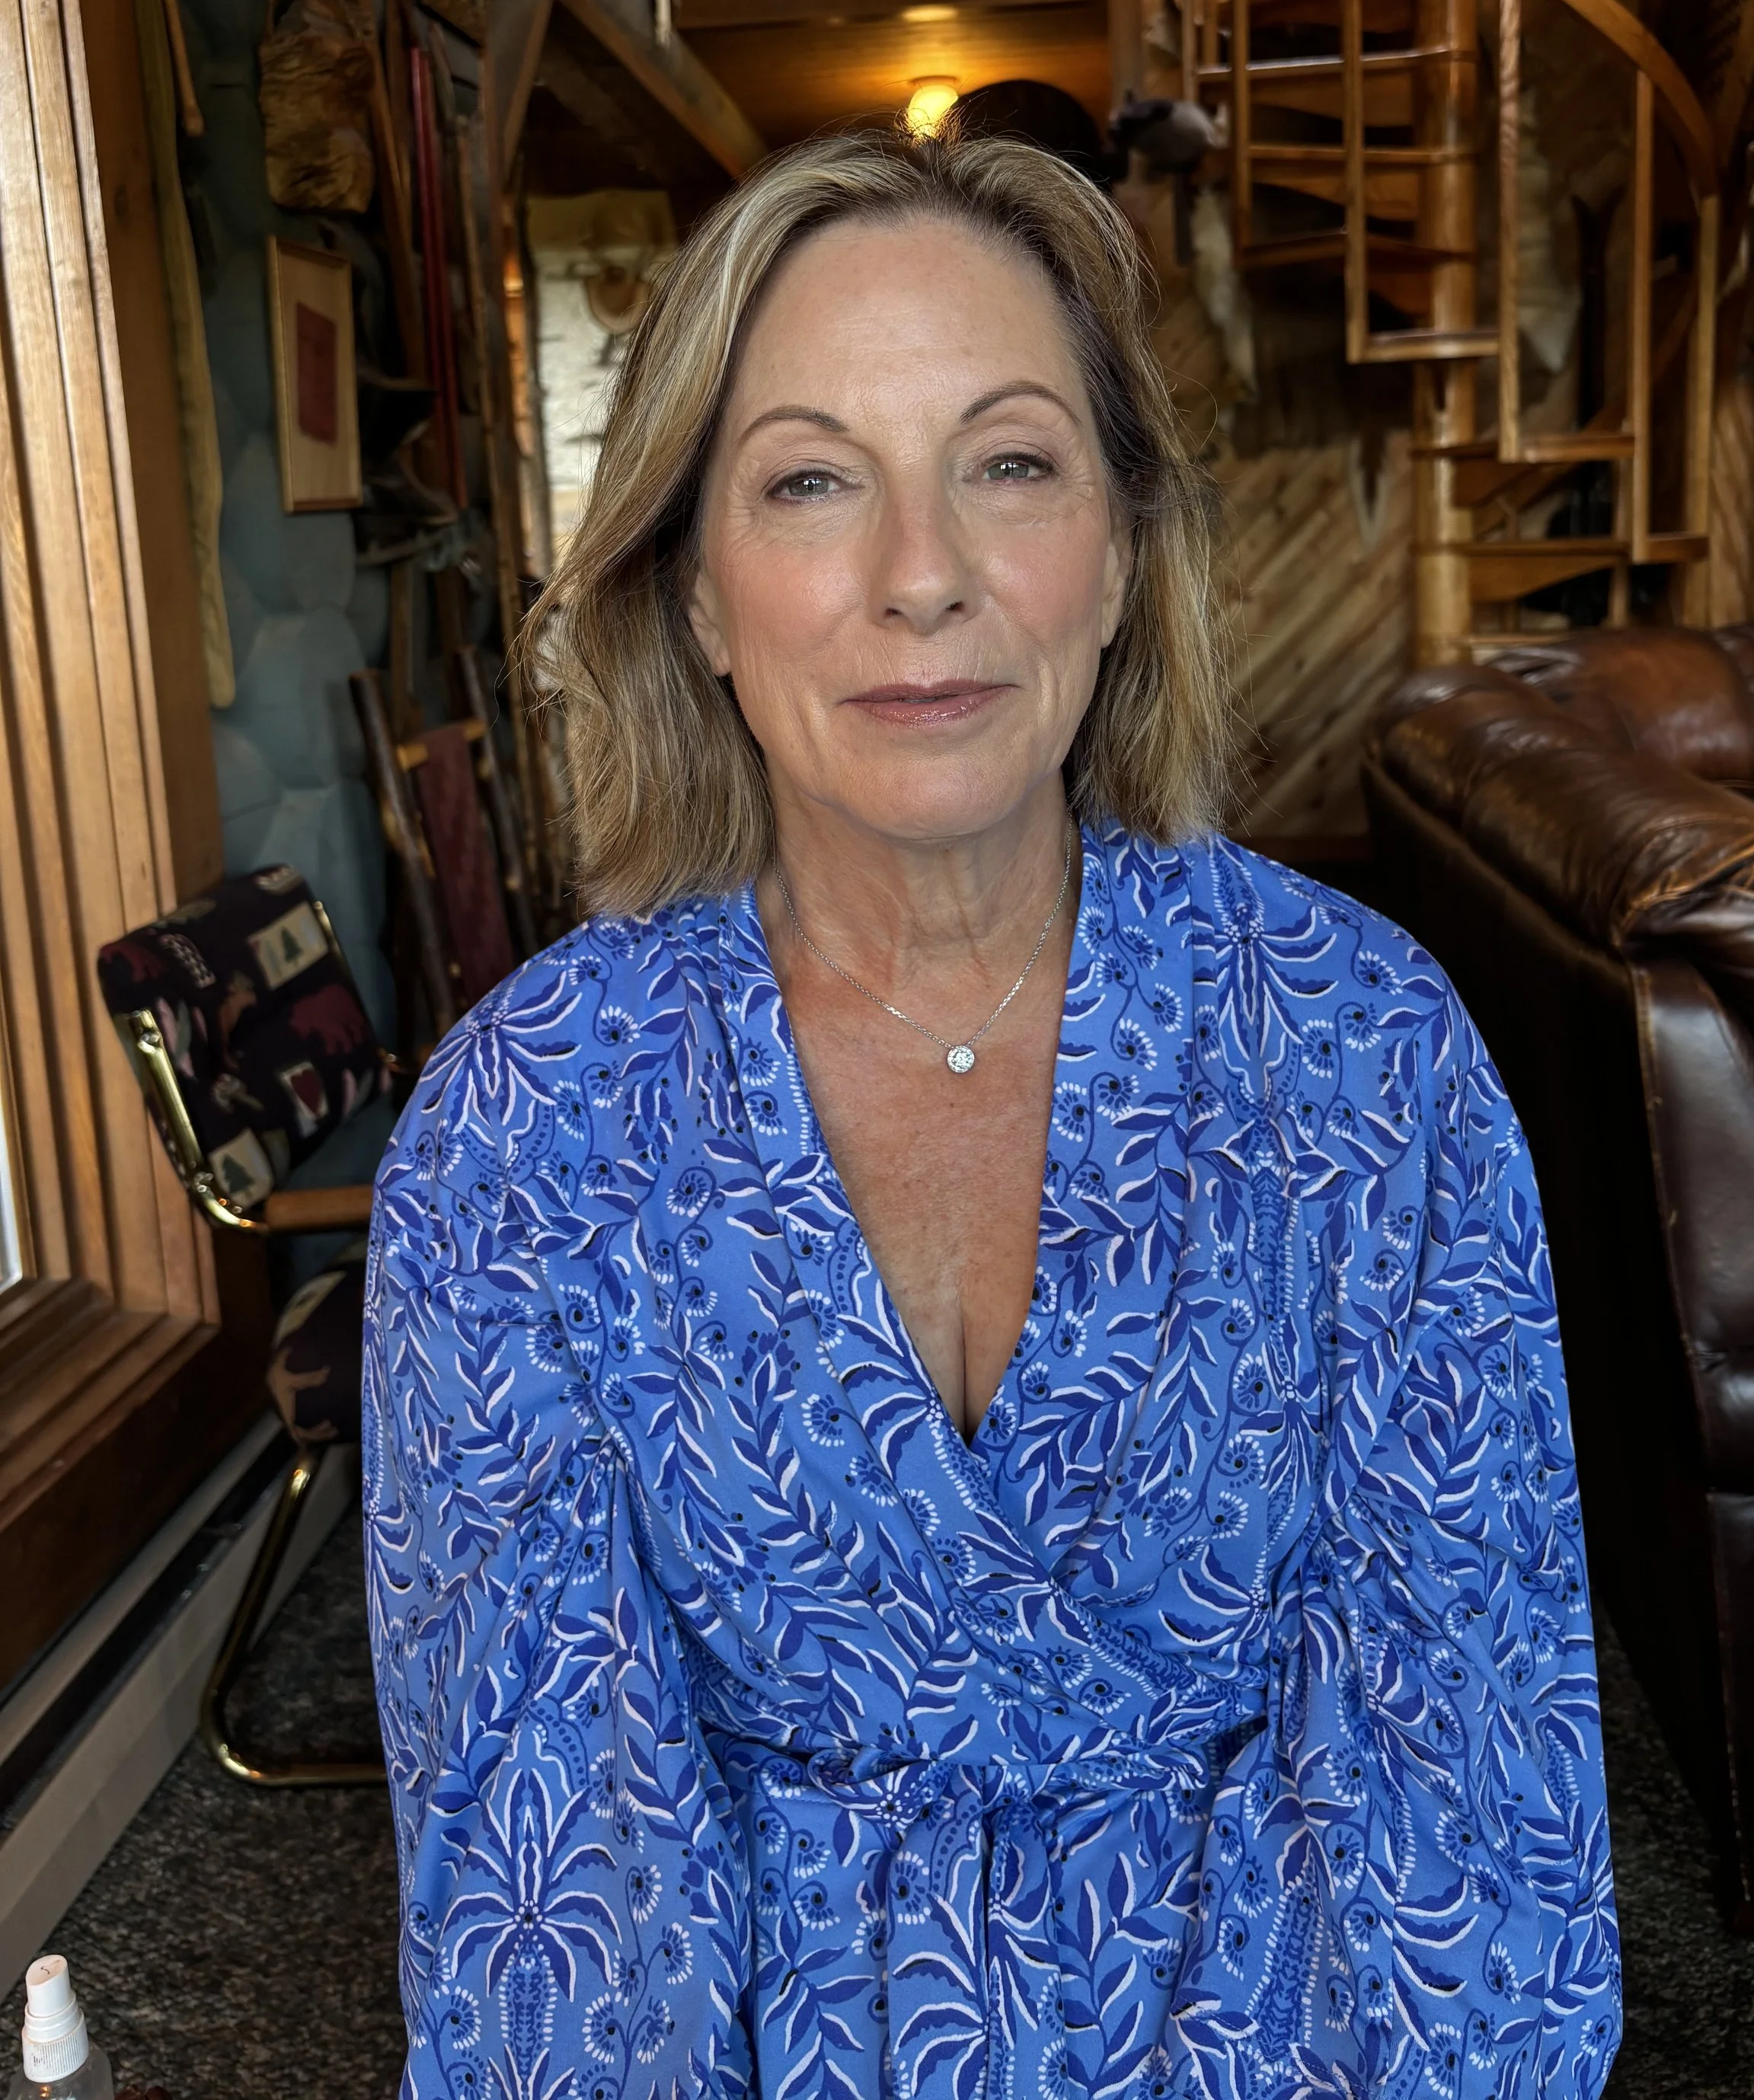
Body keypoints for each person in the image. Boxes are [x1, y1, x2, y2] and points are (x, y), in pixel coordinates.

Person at [364, 128, 1619, 2100]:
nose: (919, 574)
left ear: (1118, 549)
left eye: (1007, 462)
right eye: (806, 481)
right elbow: (559, 1891)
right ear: (693, 590)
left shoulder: (1361, 1047)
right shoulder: (526, 1130)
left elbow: (1468, 1773)